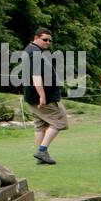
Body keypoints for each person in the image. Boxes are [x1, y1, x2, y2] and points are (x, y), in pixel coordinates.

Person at [23, 27, 66, 164]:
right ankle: (41, 150)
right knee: (60, 121)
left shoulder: (30, 51)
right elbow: (36, 76)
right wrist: (42, 96)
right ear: (36, 38)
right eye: (44, 39)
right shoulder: (34, 52)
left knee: (40, 125)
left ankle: (41, 155)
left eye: (49, 40)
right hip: (42, 97)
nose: (47, 42)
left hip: (32, 96)